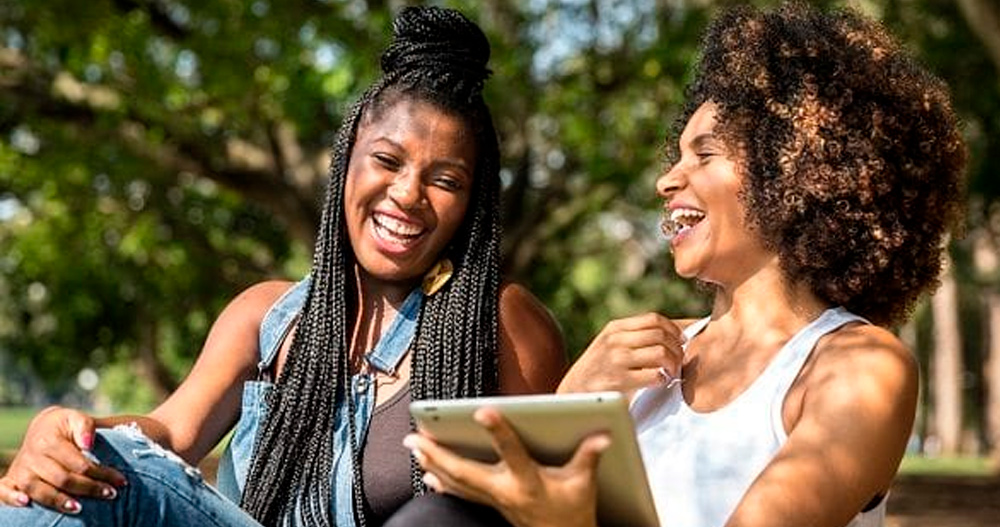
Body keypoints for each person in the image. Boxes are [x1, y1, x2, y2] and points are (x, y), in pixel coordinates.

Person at [396, 3, 967, 527]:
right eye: (677, 155)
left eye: (706, 153)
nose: (667, 180)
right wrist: (572, 397)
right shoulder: (642, 357)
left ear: (802, 174)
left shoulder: (859, 368)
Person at [0, 6, 567, 527]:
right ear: (347, 163)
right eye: (387, 161)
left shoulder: (505, 324)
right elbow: (171, 432)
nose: (408, 194)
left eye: (446, 181)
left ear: (472, 204)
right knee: (86, 463)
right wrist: (69, 432)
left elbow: (549, 503)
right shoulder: (266, 315)